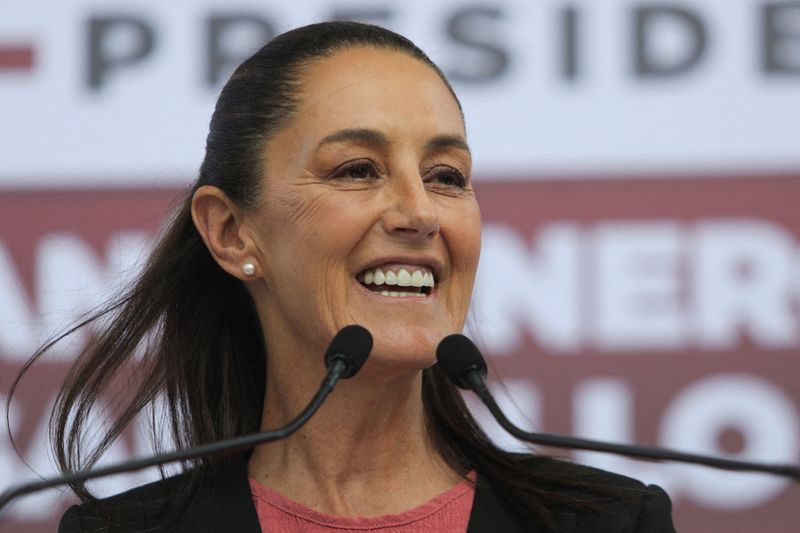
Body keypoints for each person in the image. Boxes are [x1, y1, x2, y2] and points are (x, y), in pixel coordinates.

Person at [18, 21, 674, 532]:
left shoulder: (611, 521)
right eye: (357, 169)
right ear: (230, 231)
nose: (419, 212)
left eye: (446, 176)